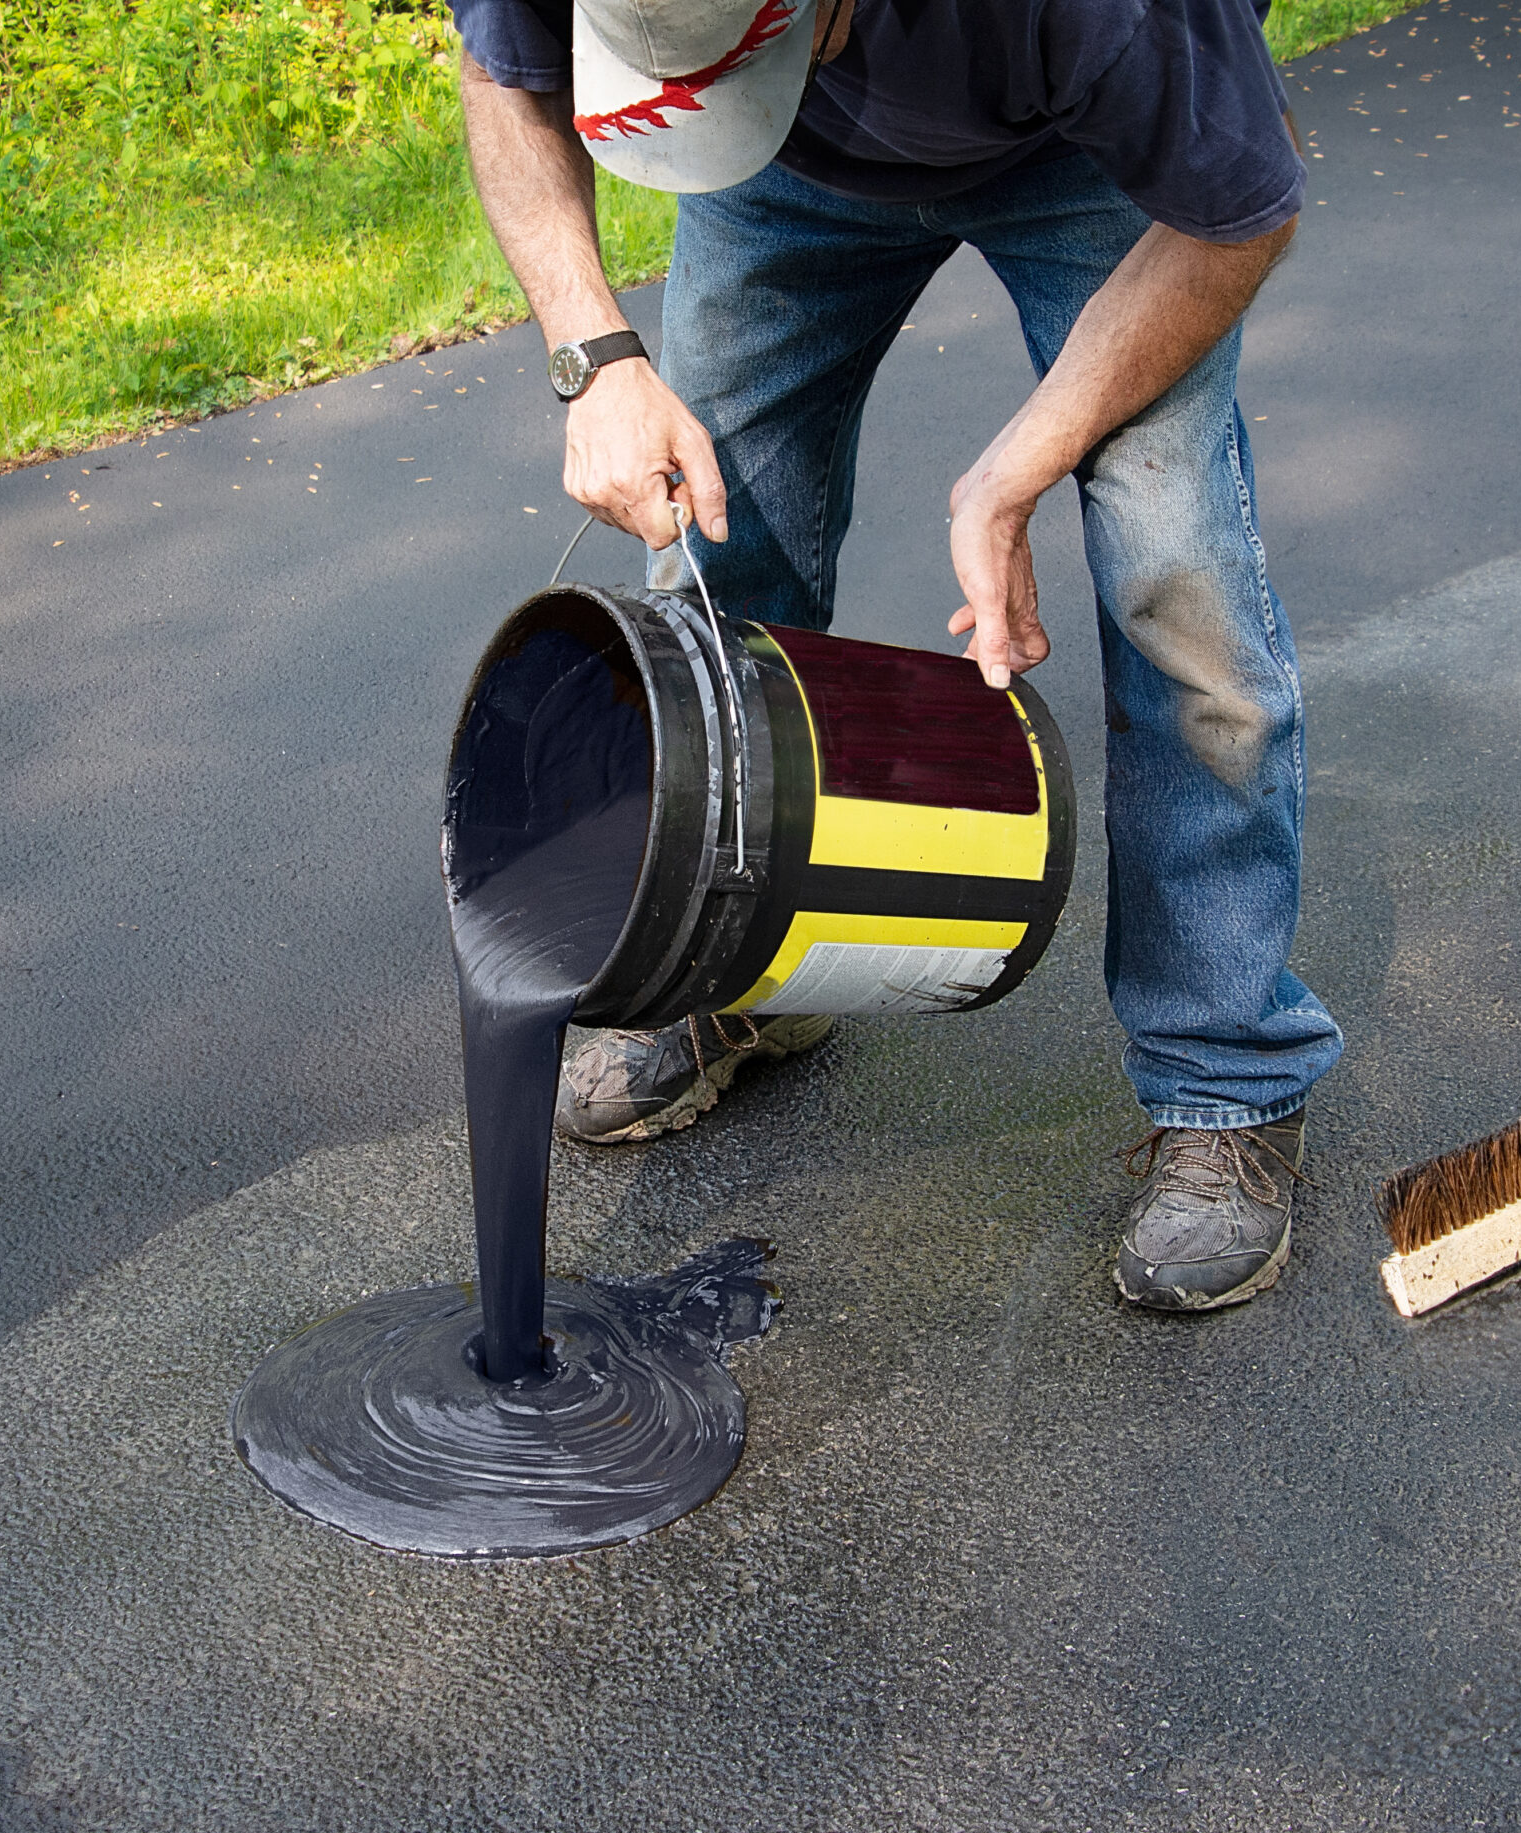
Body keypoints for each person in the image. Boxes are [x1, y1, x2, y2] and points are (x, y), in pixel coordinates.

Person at [448, 0, 1343, 1308]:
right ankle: (736, 970)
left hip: (1088, 165)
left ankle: (1228, 1074)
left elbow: (1238, 214)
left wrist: (1012, 470)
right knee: (713, 542)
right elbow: (502, 73)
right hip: (783, 181)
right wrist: (593, 358)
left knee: (1176, 579)